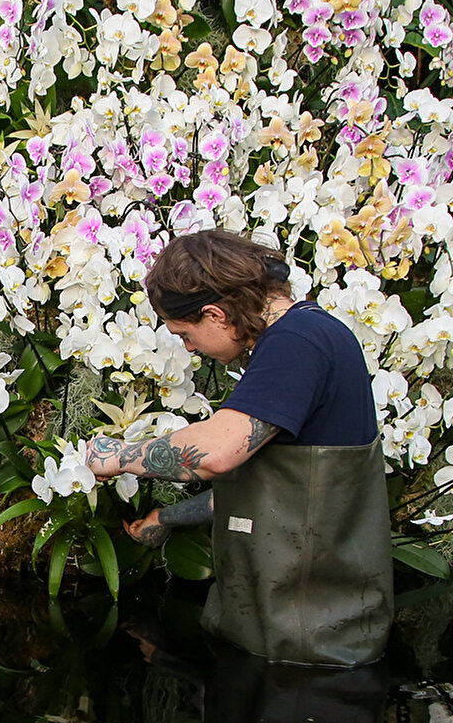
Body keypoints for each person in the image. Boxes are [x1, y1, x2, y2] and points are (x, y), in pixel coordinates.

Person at [85, 230, 392, 666]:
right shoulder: (297, 336)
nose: (189, 349)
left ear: (215, 313)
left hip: (306, 653)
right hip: (277, 632)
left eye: (186, 334)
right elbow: (280, 488)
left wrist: (116, 457)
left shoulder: (296, 343)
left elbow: (217, 453)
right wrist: (166, 517)